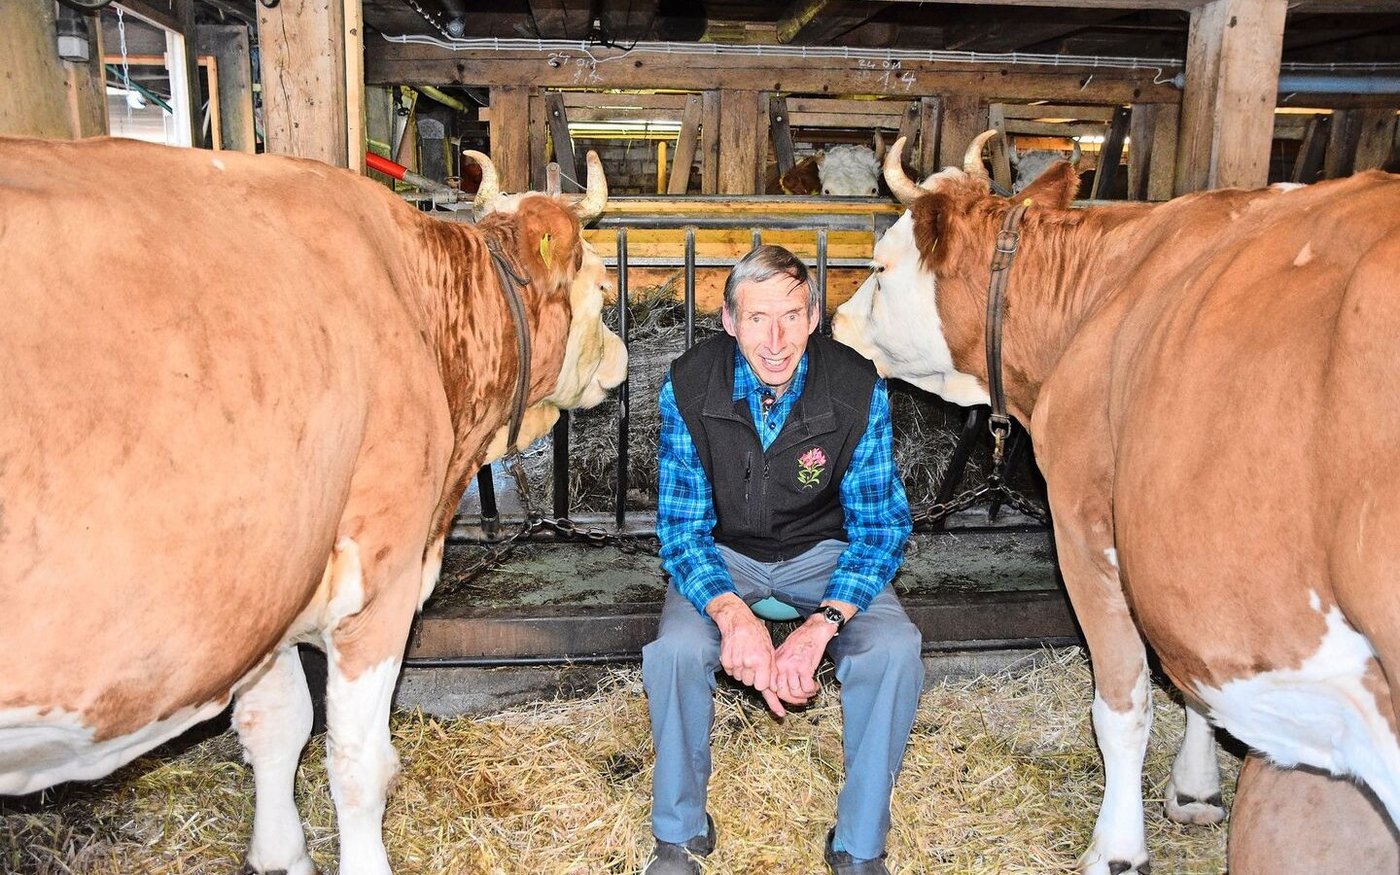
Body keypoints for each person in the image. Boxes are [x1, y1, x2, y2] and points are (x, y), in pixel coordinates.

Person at [642, 245, 922, 875]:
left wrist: (822, 625)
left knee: (893, 648)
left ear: (815, 316)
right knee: (677, 652)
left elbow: (879, 527)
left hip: (824, 553)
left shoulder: (856, 387)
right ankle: (679, 834)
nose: (775, 340)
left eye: (791, 317)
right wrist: (733, 615)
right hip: (723, 554)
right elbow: (682, 528)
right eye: (758, 318)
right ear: (728, 320)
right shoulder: (689, 385)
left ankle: (859, 844)